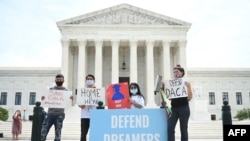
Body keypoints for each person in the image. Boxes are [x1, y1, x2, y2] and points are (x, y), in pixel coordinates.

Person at [41, 74, 73, 141]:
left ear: (63, 80)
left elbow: (68, 103)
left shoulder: (66, 91)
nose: (59, 81)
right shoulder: (51, 90)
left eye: (60, 80)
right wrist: (43, 98)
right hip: (49, 114)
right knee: (43, 132)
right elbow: (45, 100)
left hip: (60, 115)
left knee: (58, 134)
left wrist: (71, 99)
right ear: (55, 80)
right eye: (58, 79)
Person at [167, 64, 193, 141]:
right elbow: (170, 98)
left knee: (183, 129)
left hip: (184, 108)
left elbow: (190, 97)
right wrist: (164, 88)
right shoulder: (171, 83)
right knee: (170, 128)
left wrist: (188, 87)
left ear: (181, 72)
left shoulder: (186, 82)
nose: (175, 73)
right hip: (174, 108)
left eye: (177, 71)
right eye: (174, 72)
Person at [79, 74, 97, 141]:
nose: (89, 80)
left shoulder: (98, 91)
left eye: (91, 79)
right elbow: (81, 106)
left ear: (94, 81)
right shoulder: (82, 92)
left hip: (95, 115)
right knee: (83, 134)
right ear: (86, 81)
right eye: (88, 79)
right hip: (85, 116)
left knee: (95, 134)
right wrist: (83, 103)